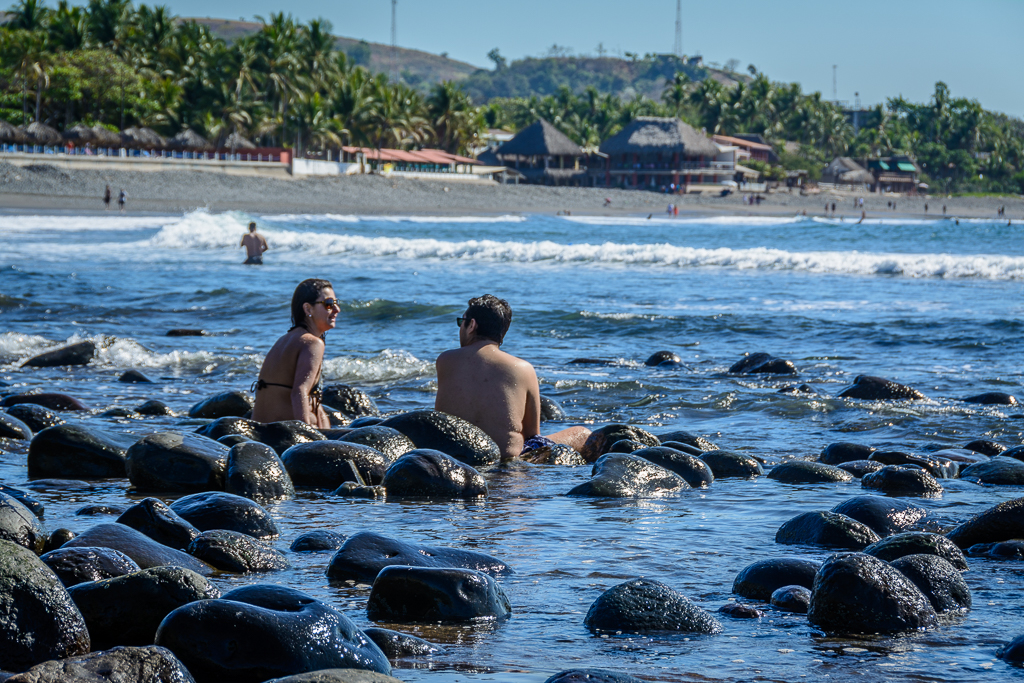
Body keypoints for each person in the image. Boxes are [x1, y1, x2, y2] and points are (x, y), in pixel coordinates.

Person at [435, 295, 591, 461]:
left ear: (471, 325)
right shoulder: (523, 369)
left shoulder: (445, 360)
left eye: (461, 322)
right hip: (505, 459)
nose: (460, 328)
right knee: (583, 433)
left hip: (452, 455)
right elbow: (533, 434)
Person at [251, 278, 339, 428]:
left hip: (262, 431)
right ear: (308, 309)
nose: (337, 309)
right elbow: (299, 391)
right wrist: (307, 435)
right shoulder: (312, 343)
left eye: (337, 303)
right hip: (287, 434)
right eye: (329, 304)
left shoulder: (284, 340)